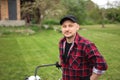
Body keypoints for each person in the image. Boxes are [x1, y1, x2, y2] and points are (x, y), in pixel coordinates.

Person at [58, 15, 108, 80]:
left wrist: (91, 79)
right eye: (64, 26)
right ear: (61, 28)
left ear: (77, 27)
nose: (67, 29)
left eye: (70, 26)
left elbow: (102, 65)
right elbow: (63, 56)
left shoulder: (86, 45)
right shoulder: (62, 42)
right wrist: (60, 63)